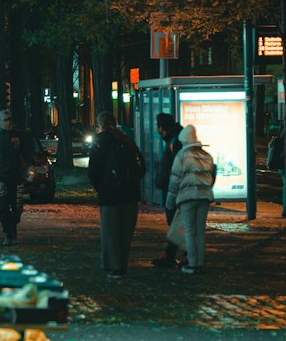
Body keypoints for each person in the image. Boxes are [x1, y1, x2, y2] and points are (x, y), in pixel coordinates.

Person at [87, 111, 146, 279]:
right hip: (130, 194)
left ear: (99, 126)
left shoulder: (100, 142)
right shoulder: (127, 141)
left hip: (110, 194)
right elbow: (141, 166)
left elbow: (93, 171)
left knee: (110, 232)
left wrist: (102, 188)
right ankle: (123, 265)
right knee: (125, 232)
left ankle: (115, 267)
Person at [0, 108, 35, 246]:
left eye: (10, 120)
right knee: (3, 208)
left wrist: (31, 166)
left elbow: (27, 151)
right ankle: (8, 234)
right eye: (5, 120)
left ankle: (12, 227)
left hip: (16, 177)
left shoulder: (18, 136)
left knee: (18, 207)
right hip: (0, 177)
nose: (8, 123)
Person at [165, 124, 216, 276]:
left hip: (187, 198)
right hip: (204, 197)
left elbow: (175, 181)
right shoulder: (207, 156)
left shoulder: (181, 156)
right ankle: (199, 263)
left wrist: (170, 202)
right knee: (200, 231)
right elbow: (211, 177)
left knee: (190, 231)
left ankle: (192, 264)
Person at [151, 112, 183, 267]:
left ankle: (177, 256)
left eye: (158, 126)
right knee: (177, 224)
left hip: (174, 190)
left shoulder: (174, 142)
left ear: (162, 127)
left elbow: (176, 169)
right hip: (173, 189)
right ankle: (172, 254)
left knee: (177, 224)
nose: (157, 130)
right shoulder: (175, 139)